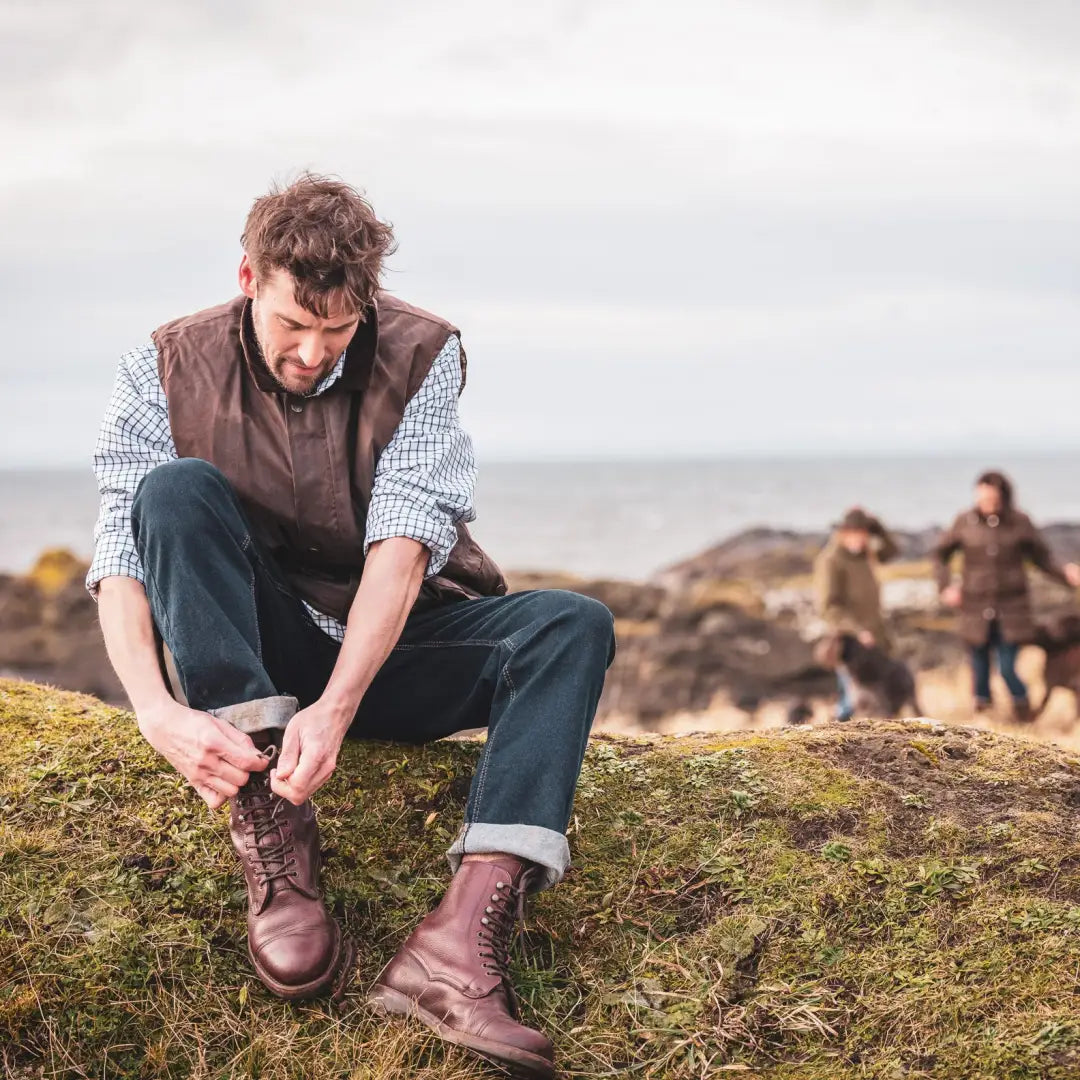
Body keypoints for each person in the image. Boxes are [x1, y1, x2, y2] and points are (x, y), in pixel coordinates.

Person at [87, 173, 616, 1079]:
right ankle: (272, 831)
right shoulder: (166, 361)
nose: (313, 352)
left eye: (336, 330)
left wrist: (336, 707)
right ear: (249, 277)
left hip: (394, 644)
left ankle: (452, 950)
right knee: (169, 493)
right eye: (295, 324)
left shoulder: (424, 352)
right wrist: (153, 707)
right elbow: (121, 549)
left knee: (572, 626)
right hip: (267, 658)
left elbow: (404, 544)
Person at [935, 470, 1079, 722]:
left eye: (992, 499)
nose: (986, 504)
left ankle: (1023, 713)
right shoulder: (964, 522)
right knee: (979, 665)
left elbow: (1042, 558)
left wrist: (1065, 575)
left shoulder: (1020, 522)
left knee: (1007, 666)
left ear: (1003, 497)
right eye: (982, 498)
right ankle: (983, 715)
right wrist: (945, 586)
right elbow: (940, 555)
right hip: (975, 609)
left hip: (1012, 610)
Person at [814, 507, 899, 721]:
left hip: (876, 637)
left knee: (880, 695)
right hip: (849, 641)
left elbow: (892, 551)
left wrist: (876, 525)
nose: (860, 539)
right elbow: (828, 607)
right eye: (855, 534)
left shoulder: (865, 554)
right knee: (851, 698)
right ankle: (832, 740)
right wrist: (858, 630)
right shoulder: (831, 560)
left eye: (864, 534)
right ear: (843, 533)